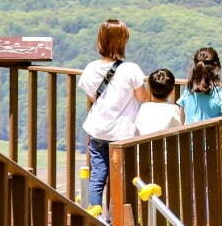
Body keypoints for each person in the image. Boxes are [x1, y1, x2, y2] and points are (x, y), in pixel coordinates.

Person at [78, 19, 146, 214]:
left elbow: (93, 97)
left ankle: (95, 213)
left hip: (98, 129)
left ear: (101, 40)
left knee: (97, 175)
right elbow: (142, 97)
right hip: (122, 134)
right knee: (121, 177)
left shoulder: (91, 68)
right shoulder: (131, 69)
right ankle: (118, 216)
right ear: (123, 42)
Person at [179, 46, 222, 123]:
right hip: (214, 135)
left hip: (190, 135)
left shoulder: (188, 91)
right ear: (217, 67)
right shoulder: (221, 94)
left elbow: (182, 121)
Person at [134, 68, 184, 135]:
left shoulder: (144, 107)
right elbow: (180, 130)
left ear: (150, 90)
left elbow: (136, 131)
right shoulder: (174, 109)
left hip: (144, 145)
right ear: (172, 91)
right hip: (166, 145)